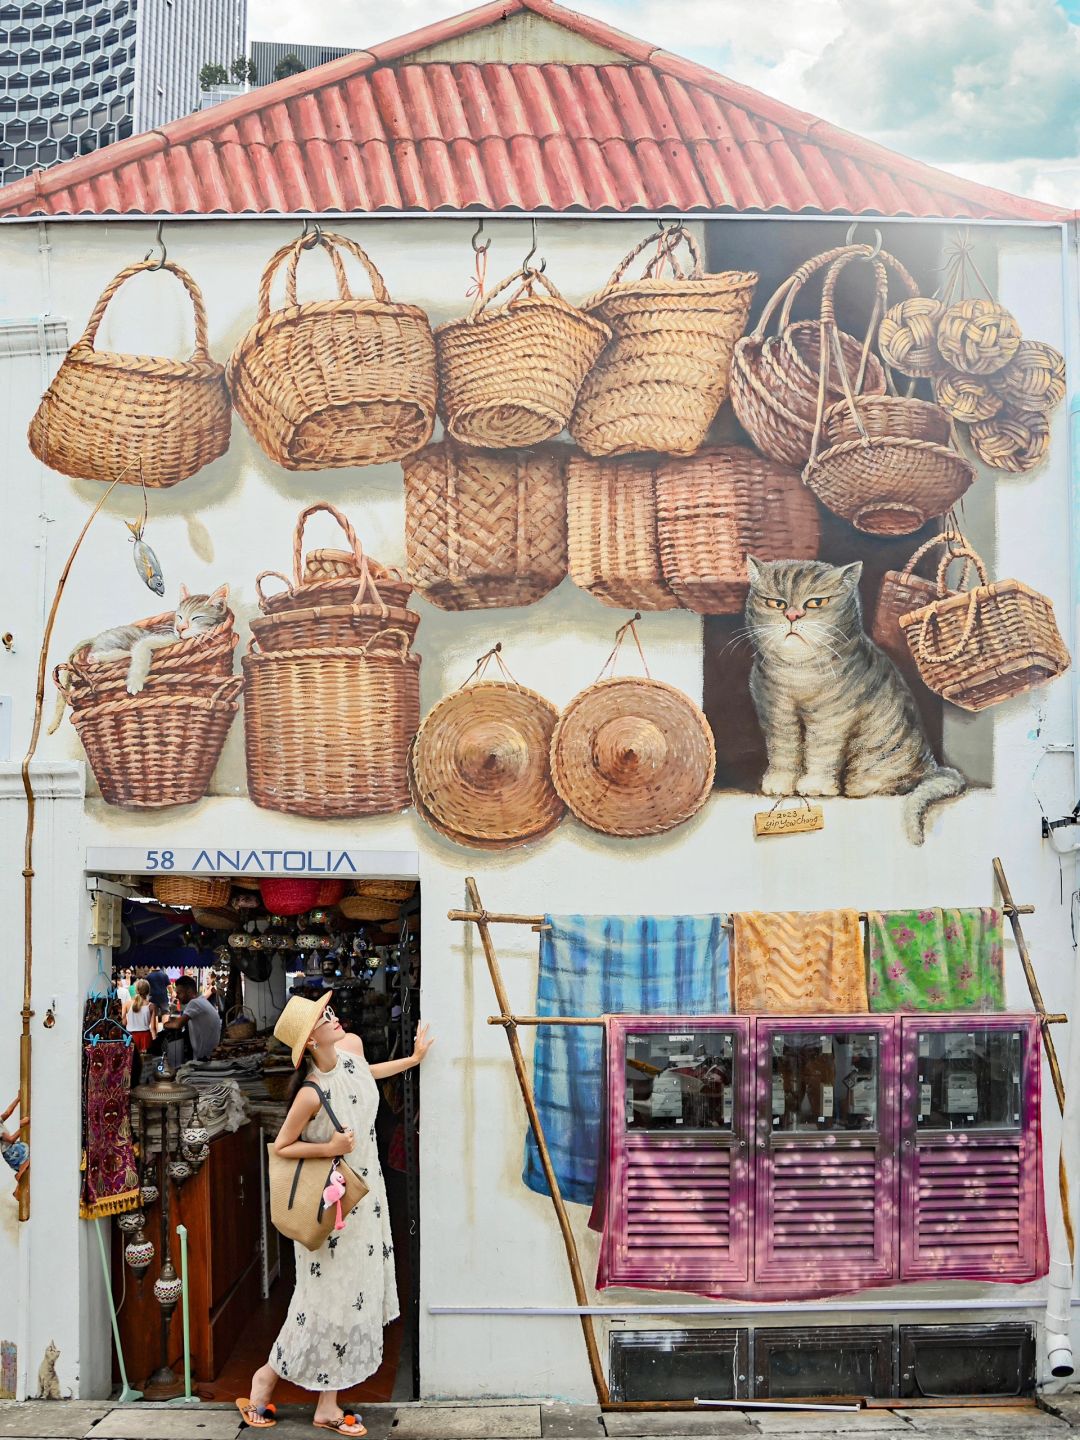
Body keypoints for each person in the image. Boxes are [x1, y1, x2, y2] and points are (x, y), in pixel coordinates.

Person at [236, 994, 433, 1435]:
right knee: (319, 1301)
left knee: (350, 1297)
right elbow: (283, 1147)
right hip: (332, 1204)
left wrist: (413, 1059)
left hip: (368, 1196)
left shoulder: (353, 1050)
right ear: (309, 1040)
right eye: (324, 1017)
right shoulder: (309, 1092)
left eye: (327, 1012)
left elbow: (366, 1076)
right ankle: (264, 1380)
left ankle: (328, 1405)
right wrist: (330, 1148)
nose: (333, 1016)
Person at [161, 974, 221, 1061]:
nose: (177, 996)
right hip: (209, 1055)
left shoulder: (194, 1003)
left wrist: (165, 1024)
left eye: (179, 993)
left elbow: (177, 1024)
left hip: (203, 1059)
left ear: (189, 991)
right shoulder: (202, 1001)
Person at [122, 978, 157, 1053]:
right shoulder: (151, 1006)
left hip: (131, 1037)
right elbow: (153, 1028)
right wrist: (154, 1040)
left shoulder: (126, 1004)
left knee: (132, 1062)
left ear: (136, 990)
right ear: (148, 991)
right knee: (146, 1062)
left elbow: (124, 1023)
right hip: (146, 1037)